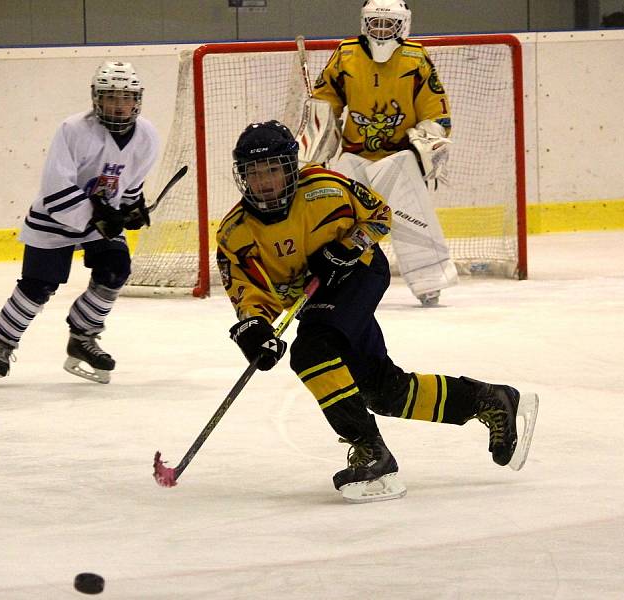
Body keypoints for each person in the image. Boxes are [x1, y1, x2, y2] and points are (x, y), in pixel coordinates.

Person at [217, 120, 538, 503]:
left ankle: (372, 452)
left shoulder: (325, 188)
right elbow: (250, 294)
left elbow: (380, 215)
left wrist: (347, 248)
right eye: (254, 173)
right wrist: (255, 329)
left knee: (312, 352)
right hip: (318, 301)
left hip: (360, 273)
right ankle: (490, 399)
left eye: (272, 169)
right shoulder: (233, 233)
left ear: (290, 167)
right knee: (383, 391)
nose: (264, 181)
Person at [0, 61, 160, 387]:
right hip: (54, 218)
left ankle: (83, 336)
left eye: (125, 98)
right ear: (96, 99)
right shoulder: (73, 130)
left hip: (99, 221)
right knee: (38, 285)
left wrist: (132, 209)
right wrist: (98, 217)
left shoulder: (147, 135)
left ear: (137, 100)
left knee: (116, 268)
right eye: (110, 97)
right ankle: (2, 344)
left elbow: (131, 183)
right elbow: (55, 187)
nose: (118, 105)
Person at [308, 0, 458, 307]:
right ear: (364, 23)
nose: (381, 29)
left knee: (409, 216)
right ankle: (330, 277)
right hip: (353, 155)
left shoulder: (415, 58)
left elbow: (435, 108)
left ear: (402, 25)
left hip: (398, 156)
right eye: (375, 22)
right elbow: (326, 103)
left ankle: (429, 280)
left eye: (388, 24)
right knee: (334, 217)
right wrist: (317, 134)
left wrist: (429, 142)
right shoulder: (345, 54)